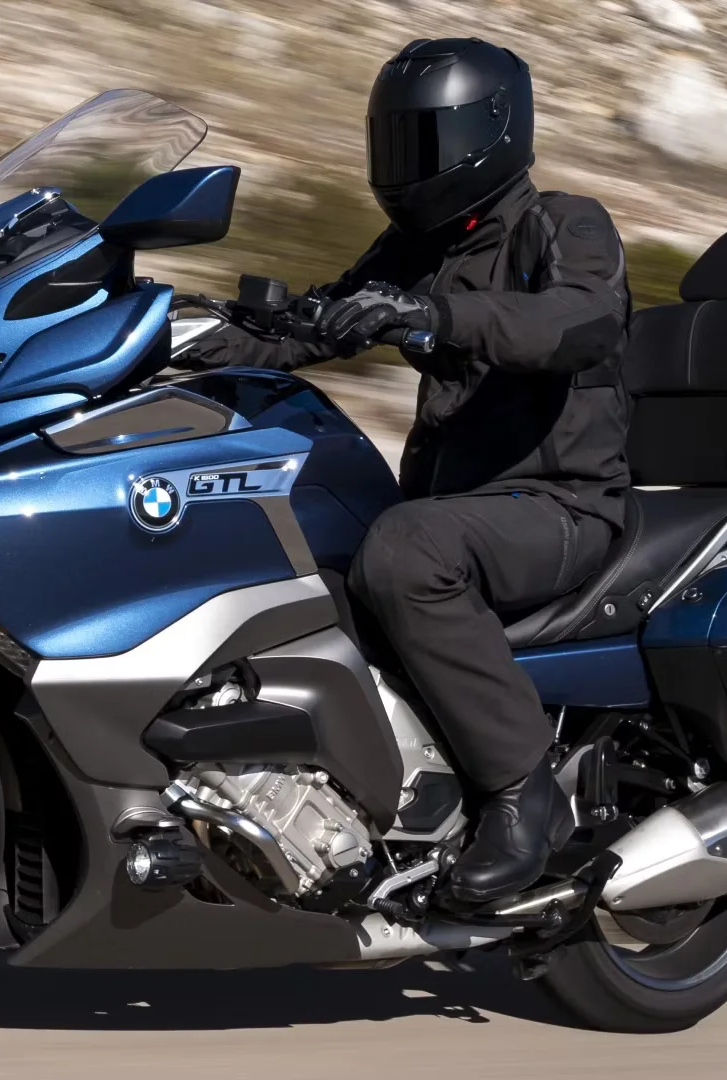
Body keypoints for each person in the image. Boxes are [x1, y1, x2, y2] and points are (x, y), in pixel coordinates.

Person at [182, 37, 632, 903]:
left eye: (421, 143)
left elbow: (580, 324)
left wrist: (434, 315)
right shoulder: (414, 245)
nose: (401, 167)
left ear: (487, 135)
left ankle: (520, 789)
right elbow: (313, 325)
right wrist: (173, 330)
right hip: (455, 509)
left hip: (558, 506)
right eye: (391, 143)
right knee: (278, 541)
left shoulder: (565, 224)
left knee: (404, 553)